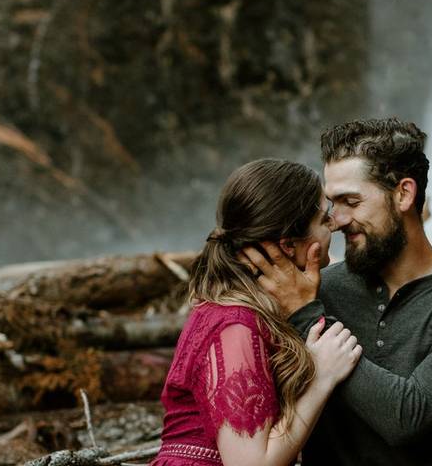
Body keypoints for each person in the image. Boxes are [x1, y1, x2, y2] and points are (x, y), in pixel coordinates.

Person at [244, 118, 432, 466]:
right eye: (332, 204)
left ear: (403, 194)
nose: (337, 220)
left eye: (351, 201)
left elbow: (407, 417)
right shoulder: (317, 288)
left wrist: (305, 315)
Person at [152, 159, 362, 466]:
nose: (334, 224)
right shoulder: (236, 324)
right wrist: (321, 377)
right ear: (288, 245)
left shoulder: (238, 311)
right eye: (322, 218)